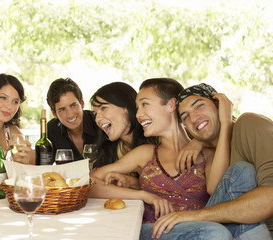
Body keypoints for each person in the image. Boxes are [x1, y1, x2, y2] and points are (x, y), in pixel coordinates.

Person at [90, 78, 233, 239]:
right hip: (151, 232)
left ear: (171, 105)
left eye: (145, 104)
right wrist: (144, 195)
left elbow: (216, 189)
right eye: (137, 108)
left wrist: (224, 122)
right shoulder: (145, 153)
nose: (138, 114)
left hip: (197, 232)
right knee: (216, 233)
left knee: (215, 231)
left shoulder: (207, 153)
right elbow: (89, 183)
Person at [151, 83, 272, 239]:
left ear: (218, 105)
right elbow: (214, 189)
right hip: (234, 234)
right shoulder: (208, 153)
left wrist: (194, 216)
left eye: (199, 106)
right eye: (185, 117)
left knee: (243, 170)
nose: (194, 118)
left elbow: (270, 197)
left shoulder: (249, 124)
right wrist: (199, 141)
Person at [90, 82, 157, 169]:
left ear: (126, 107)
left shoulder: (156, 141)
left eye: (103, 108)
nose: (97, 119)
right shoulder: (110, 149)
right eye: (95, 114)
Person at [46, 77, 98, 161]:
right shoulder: (52, 129)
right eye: (62, 109)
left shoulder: (98, 121)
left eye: (73, 105)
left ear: (82, 103)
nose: (70, 114)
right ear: (54, 113)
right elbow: (43, 163)